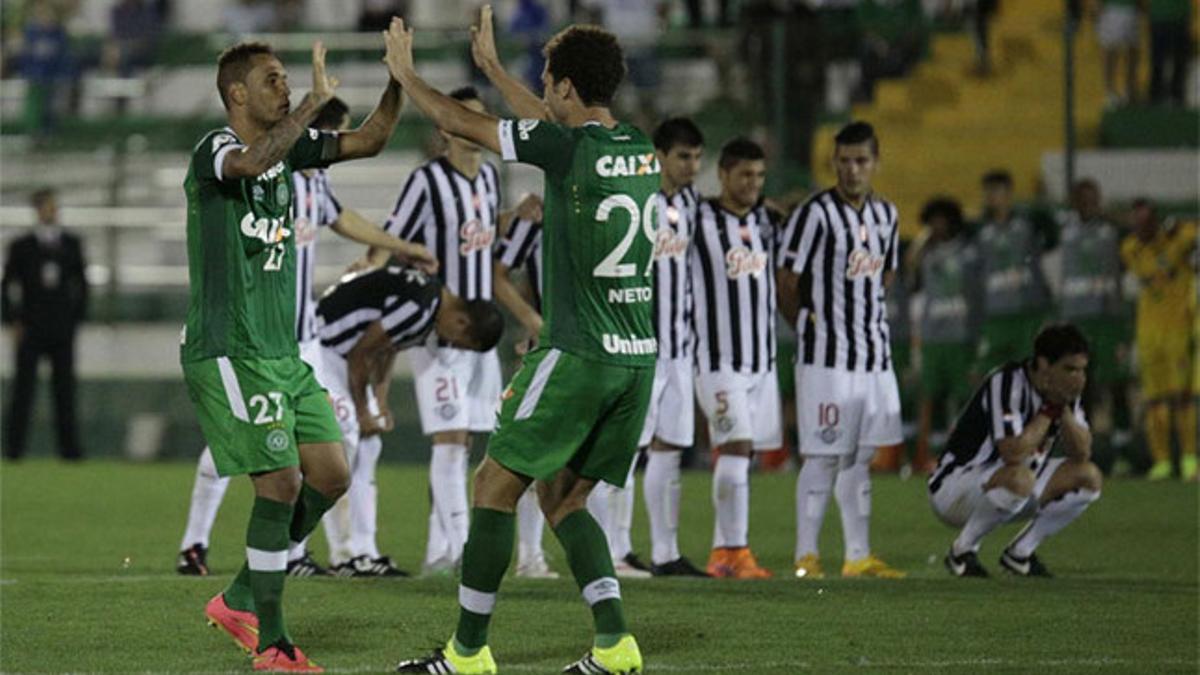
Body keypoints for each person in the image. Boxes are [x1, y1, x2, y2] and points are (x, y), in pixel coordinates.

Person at [388, 6, 655, 672]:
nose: (543, 89)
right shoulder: (638, 150)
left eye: (546, 78)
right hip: (636, 360)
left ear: (566, 87)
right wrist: (498, 70)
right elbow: (547, 121)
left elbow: (458, 122)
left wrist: (406, 75)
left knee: (492, 485)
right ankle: (616, 642)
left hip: (579, 352)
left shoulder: (563, 149)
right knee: (563, 497)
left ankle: (468, 651)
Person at [182, 38, 406, 671]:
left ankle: (240, 595)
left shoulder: (290, 153)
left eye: (286, 79)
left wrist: (400, 81)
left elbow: (370, 141)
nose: (283, 88)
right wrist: (311, 101)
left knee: (332, 476)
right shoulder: (216, 150)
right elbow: (251, 165)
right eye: (272, 80)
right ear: (237, 95)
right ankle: (274, 644)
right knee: (279, 484)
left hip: (283, 355)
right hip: (230, 351)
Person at [175, 97, 435, 579]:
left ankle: (339, 552)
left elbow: (344, 218)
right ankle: (203, 544)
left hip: (305, 342)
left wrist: (395, 247)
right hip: (258, 339)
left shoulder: (314, 184)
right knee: (251, 447)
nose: (329, 151)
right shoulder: (275, 175)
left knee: (340, 442)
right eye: (330, 136)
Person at [380, 85, 552, 579]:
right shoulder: (426, 181)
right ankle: (459, 549)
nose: (474, 127)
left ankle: (439, 549)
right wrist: (382, 268)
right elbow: (397, 238)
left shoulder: (489, 178)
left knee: (473, 442)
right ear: (444, 128)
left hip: (482, 334)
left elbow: (475, 230)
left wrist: (510, 218)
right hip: (440, 333)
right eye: (463, 118)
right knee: (450, 441)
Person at [314, 264, 504, 578]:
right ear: (461, 320)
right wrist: (363, 411)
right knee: (345, 439)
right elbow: (362, 354)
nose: (453, 345)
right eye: (460, 341)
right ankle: (321, 553)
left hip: (341, 355)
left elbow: (387, 347)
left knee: (369, 445)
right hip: (324, 349)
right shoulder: (418, 305)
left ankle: (362, 552)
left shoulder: (429, 305)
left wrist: (381, 397)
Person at [777, 121, 906, 580]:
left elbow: (886, 275)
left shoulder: (887, 215)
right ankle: (806, 556)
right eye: (845, 161)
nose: (853, 170)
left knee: (859, 456)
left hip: (873, 356)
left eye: (862, 161)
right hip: (826, 358)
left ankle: (857, 556)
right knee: (824, 454)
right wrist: (809, 325)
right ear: (834, 163)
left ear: (876, 163)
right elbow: (787, 281)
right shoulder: (815, 214)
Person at [588, 117, 707, 579]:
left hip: (680, 345)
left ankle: (665, 552)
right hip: (638, 345)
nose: (692, 166)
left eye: (697, 157)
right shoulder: (637, 199)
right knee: (625, 450)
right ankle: (616, 551)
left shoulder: (692, 203)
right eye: (683, 156)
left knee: (669, 448)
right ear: (658, 156)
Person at [932, 323, 1102, 578]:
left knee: (1089, 477)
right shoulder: (1006, 382)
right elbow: (1012, 452)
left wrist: (1063, 409)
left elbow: (1082, 452)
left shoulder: (1066, 393)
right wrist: (1047, 410)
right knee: (1020, 478)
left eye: (1081, 370)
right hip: (956, 487)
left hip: (1011, 487)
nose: (1078, 378)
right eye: (1069, 369)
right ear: (1044, 365)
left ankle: (1020, 553)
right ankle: (962, 552)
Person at [691, 137, 779, 580]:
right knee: (736, 447)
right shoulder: (698, 217)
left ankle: (723, 551)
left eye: (760, 176)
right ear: (723, 175)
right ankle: (734, 551)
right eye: (745, 174)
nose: (753, 183)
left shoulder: (766, 221)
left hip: (762, 362)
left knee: (743, 457)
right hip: (717, 360)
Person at [491, 197, 563, 580]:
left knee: (592, 457)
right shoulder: (535, 220)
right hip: (551, 350)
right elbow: (498, 274)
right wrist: (532, 322)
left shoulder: (606, 208)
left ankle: (618, 552)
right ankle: (530, 555)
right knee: (534, 451)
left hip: (593, 349)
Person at [2, 187, 88, 461]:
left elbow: (82, 284)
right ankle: (14, 451)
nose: (51, 211)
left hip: (62, 329)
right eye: (46, 206)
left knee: (64, 392)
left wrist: (75, 320)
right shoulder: (21, 246)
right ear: (37, 210)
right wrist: (13, 321)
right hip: (30, 328)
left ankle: (69, 451)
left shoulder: (71, 244)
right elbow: (7, 286)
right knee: (23, 391)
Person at [1055, 179, 1132, 474]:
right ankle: (1080, 453)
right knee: (1078, 389)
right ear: (1073, 201)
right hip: (1076, 321)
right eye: (1082, 198)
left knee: (1117, 384)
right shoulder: (1065, 229)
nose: (1088, 203)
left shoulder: (1112, 229)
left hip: (1109, 319)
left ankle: (1123, 453)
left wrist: (1108, 214)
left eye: (1093, 197)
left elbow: (1135, 230)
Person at [1120, 200, 1197, 481]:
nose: (1139, 228)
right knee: (1154, 400)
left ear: (1155, 222)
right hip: (1148, 334)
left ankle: (1189, 459)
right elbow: (1136, 257)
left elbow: (1193, 235)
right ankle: (1162, 461)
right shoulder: (1131, 248)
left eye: (1145, 222)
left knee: (1182, 398)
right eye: (1135, 222)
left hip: (1178, 330)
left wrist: (1178, 228)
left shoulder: (1178, 241)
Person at [912, 197, 982, 474]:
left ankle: (965, 453)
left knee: (963, 396)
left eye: (941, 220)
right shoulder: (927, 253)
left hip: (959, 334)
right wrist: (922, 238)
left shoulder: (967, 252)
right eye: (932, 221)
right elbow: (910, 264)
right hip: (932, 338)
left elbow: (977, 293)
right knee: (933, 396)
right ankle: (935, 456)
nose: (936, 226)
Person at [974, 169, 1054, 373]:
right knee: (989, 372)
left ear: (1009, 192)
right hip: (995, 313)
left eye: (996, 190)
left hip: (1028, 310)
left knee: (1031, 370)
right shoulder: (980, 229)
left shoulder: (1029, 221)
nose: (991, 195)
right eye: (987, 191)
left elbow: (1053, 238)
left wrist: (1041, 200)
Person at [1096, 0, 1141, 107]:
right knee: (1110, 50)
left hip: (1131, 8)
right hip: (1111, 9)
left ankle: (1129, 90)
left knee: (1132, 52)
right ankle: (1110, 91)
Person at [1148, 0, 1191, 106]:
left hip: (1179, 17)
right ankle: (1156, 95)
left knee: (1179, 60)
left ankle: (1177, 95)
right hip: (1160, 17)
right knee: (1158, 61)